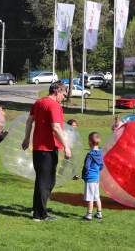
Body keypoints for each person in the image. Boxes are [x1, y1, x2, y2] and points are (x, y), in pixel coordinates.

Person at [22, 81, 71, 222]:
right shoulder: (54, 105)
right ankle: (40, 214)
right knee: (47, 182)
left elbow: (29, 121)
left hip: (38, 148)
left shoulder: (38, 103)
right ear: (57, 91)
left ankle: (37, 209)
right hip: (48, 148)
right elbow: (56, 127)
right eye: (63, 94)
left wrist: (26, 139)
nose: (64, 97)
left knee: (42, 181)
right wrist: (66, 146)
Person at [81, 132, 104, 221]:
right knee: (96, 196)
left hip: (90, 179)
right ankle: (99, 213)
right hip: (96, 179)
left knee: (90, 197)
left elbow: (86, 167)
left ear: (90, 142)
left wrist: (84, 175)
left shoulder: (90, 155)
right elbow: (102, 166)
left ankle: (89, 215)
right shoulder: (101, 153)